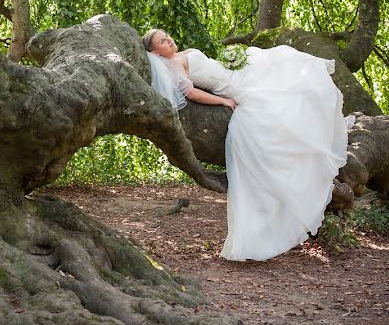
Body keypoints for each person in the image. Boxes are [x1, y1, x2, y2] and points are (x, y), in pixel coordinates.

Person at [142, 29, 348, 261]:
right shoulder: (173, 67)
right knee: (284, 99)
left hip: (238, 75)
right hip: (234, 88)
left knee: (284, 61)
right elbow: (190, 92)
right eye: (162, 41)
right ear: (155, 52)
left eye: (167, 35)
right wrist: (223, 100)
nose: (169, 39)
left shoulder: (180, 55)